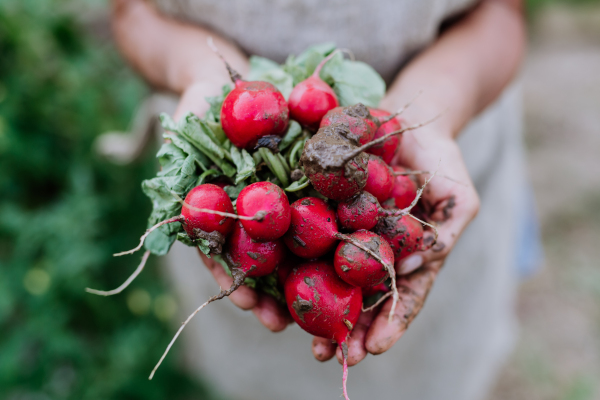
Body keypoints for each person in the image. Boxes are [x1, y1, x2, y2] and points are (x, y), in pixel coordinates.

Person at [109, 0, 527, 398]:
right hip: (243, 230)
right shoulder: (248, 210)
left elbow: (502, 13)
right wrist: (196, 70)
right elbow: (130, 14)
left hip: (435, 153)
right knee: (252, 378)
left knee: (439, 373)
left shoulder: (387, 186)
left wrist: (435, 110)